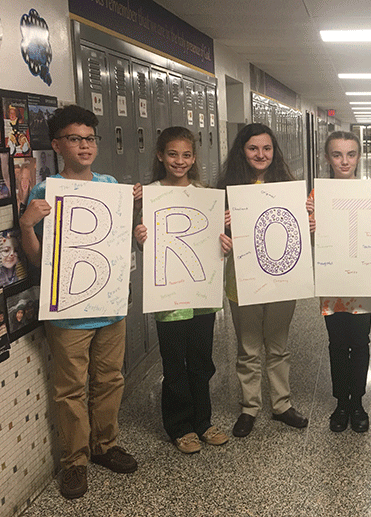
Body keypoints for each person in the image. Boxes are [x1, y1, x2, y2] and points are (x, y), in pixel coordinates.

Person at [19, 105, 140, 499]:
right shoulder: (45, 191)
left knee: (110, 379)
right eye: (75, 138)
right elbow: (38, 259)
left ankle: (105, 445)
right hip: (69, 312)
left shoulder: (109, 184)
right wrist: (26, 225)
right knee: (70, 389)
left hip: (109, 305)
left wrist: (135, 225)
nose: (85, 145)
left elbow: (118, 245)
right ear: (57, 145)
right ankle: (75, 462)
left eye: (90, 138)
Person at [133, 127, 232, 454]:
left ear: (194, 158)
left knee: (202, 361)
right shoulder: (149, 195)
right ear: (160, 156)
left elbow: (213, 243)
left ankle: (203, 422)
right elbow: (142, 245)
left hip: (202, 296)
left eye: (186, 155)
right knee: (174, 363)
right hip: (169, 298)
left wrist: (224, 243)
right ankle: (180, 426)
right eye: (173, 154)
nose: (180, 161)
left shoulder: (205, 194)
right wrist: (140, 236)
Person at [218, 123, 308, 438]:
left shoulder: (288, 186)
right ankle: (249, 407)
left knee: (278, 345)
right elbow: (214, 238)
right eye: (253, 148)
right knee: (248, 347)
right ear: (242, 151)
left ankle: (282, 404)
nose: (261, 154)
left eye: (267, 148)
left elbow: (301, 234)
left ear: (274, 151)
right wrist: (223, 224)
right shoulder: (226, 189)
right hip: (241, 281)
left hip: (283, 279)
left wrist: (307, 217)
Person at [306, 131, 371, 433]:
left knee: (359, 342)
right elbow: (306, 235)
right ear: (327, 158)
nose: (344, 161)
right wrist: (309, 226)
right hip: (333, 281)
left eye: (350, 154)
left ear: (359, 156)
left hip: (363, 280)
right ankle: (340, 402)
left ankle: (357, 401)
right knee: (336, 343)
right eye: (337, 155)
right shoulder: (317, 195)